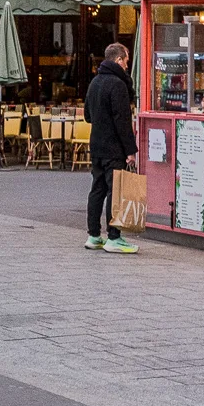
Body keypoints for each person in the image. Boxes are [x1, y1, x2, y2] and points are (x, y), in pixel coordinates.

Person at [84, 42, 139, 254]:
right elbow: (122, 122)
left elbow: (88, 116)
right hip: (114, 147)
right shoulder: (118, 85)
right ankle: (114, 237)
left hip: (96, 144)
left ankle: (94, 235)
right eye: (126, 60)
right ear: (118, 60)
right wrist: (130, 151)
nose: (127, 65)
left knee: (97, 189)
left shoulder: (95, 82)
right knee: (115, 191)